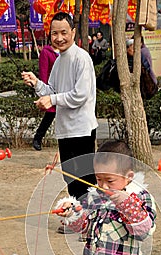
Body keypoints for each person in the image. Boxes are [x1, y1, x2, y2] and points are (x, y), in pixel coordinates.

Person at [22, 12, 97, 232]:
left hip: (82, 128)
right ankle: (78, 220)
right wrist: (36, 83)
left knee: (85, 178)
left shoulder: (81, 58)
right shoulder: (59, 60)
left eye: (64, 32)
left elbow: (80, 95)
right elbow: (52, 90)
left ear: (73, 32)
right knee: (70, 178)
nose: (59, 38)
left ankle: (91, 223)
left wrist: (52, 99)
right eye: (55, 33)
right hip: (64, 129)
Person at [32, 40, 59, 151]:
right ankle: (38, 138)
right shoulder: (46, 52)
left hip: (63, 89)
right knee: (50, 115)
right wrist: (44, 90)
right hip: (51, 89)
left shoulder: (65, 51)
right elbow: (43, 71)